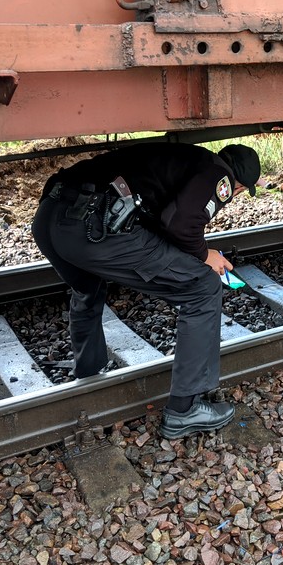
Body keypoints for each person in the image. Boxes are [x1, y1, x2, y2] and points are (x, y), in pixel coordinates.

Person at [32, 142, 260, 439]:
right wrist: (205, 255)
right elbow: (180, 224)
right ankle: (184, 409)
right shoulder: (219, 175)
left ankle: (89, 373)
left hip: (52, 217)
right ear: (239, 186)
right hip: (93, 224)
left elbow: (159, 220)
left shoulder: (184, 158)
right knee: (203, 287)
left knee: (88, 286)